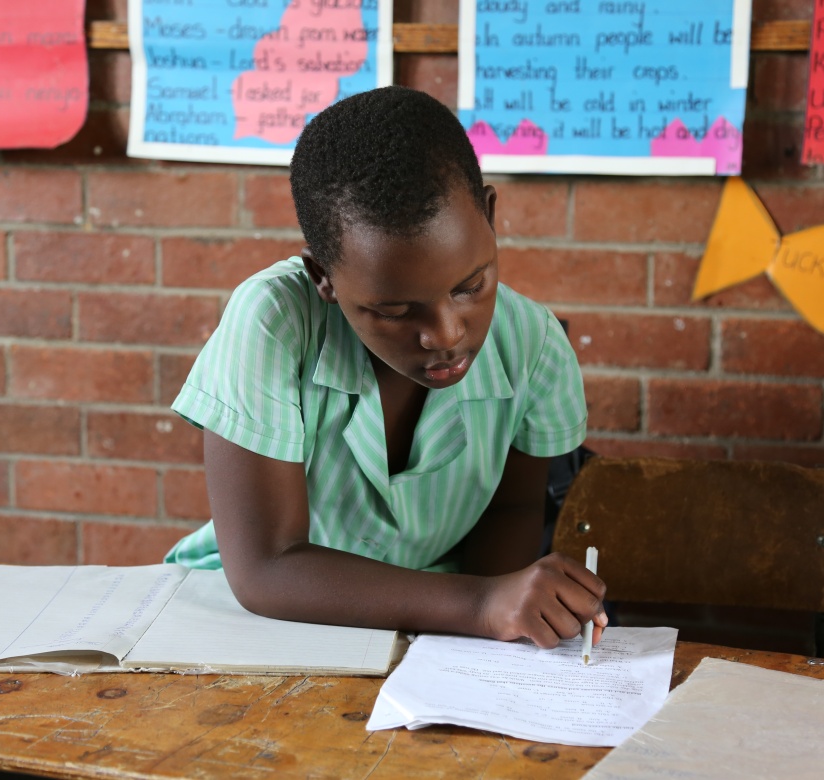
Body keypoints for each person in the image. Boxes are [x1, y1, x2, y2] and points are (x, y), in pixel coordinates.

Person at [165, 86, 607, 648]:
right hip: (243, 621)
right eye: (395, 311)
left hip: (432, 626)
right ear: (323, 276)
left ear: (490, 218)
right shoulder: (275, 323)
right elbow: (265, 569)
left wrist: (506, 611)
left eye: (471, 286)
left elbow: (512, 513)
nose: (447, 334)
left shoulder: (534, 347)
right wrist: (482, 605)